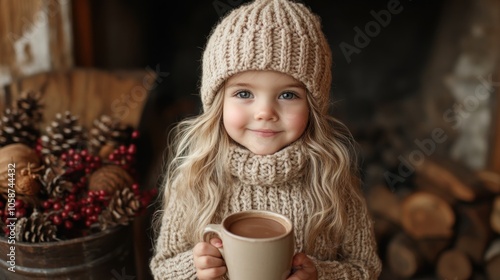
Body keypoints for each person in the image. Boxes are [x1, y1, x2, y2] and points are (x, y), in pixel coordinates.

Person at [150, 0, 382, 279]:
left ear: (312, 106)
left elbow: (364, 268)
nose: (265, 113)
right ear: (217, 103)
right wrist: (195, 268)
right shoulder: (195, 180)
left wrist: (320, 274)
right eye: (244, 94)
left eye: (287, 95)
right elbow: (163, 267)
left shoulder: (333, 181)